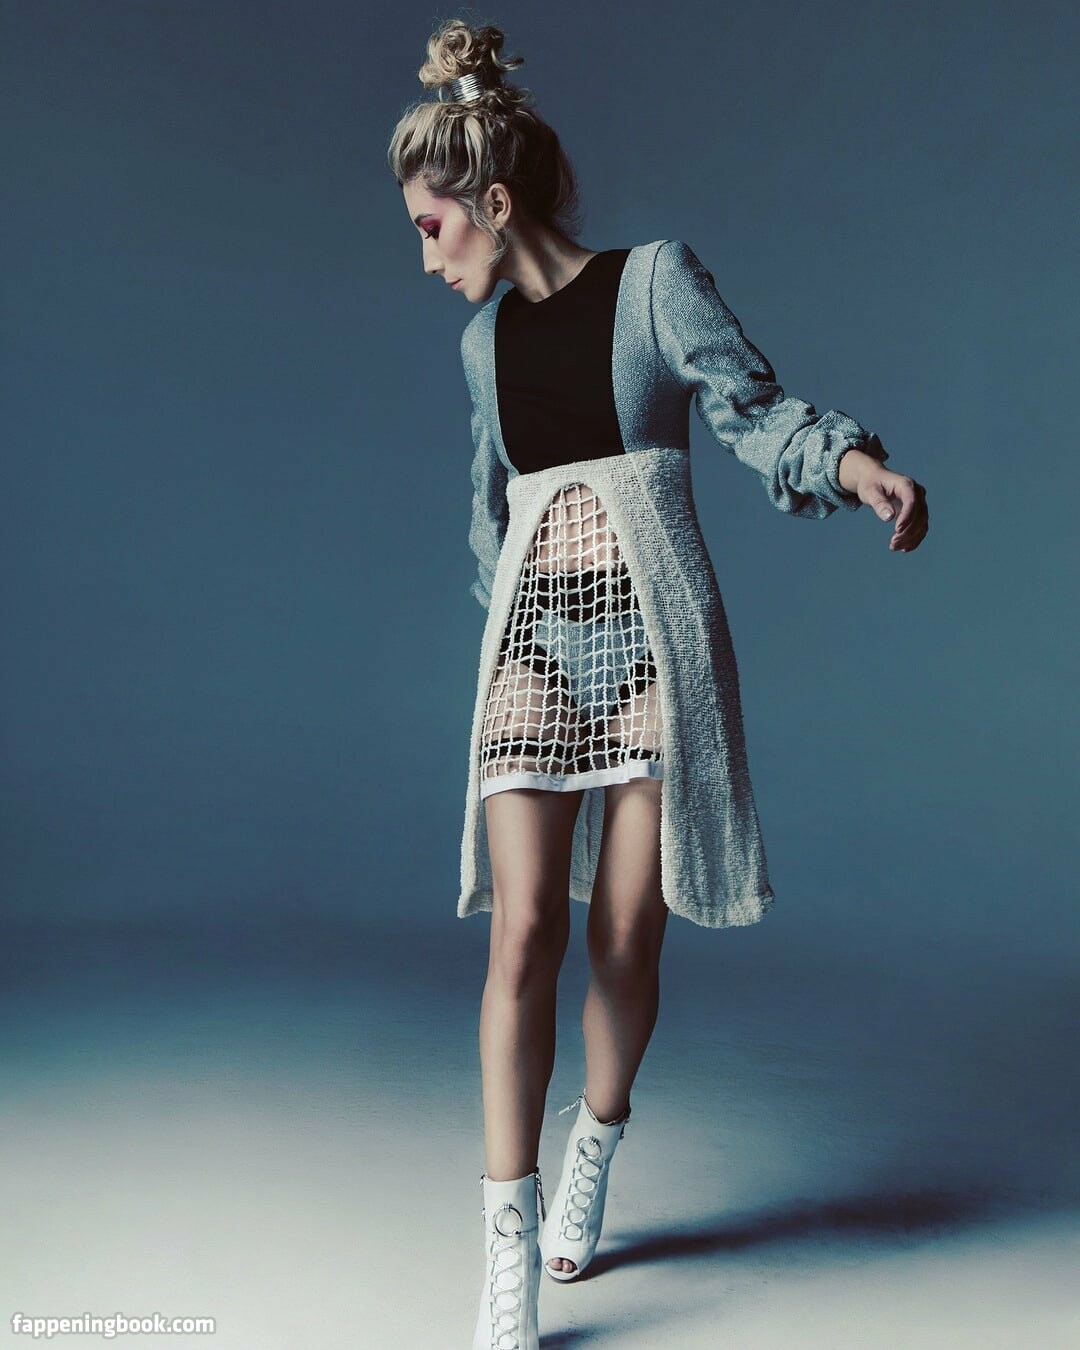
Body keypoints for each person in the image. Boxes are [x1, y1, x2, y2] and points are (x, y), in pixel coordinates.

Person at [387, 18, 928, 1350]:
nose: (426, 258)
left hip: (650, 649)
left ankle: (597, 1138)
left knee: (628, 931)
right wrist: (505, 640)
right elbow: (491, 514)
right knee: (522, 930)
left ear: (491, 202)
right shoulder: (482, 348)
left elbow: (754, 410)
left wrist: (856, 466)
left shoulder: (651, 285)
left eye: (432, 227)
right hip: (535, 651)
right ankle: (505, 1239)